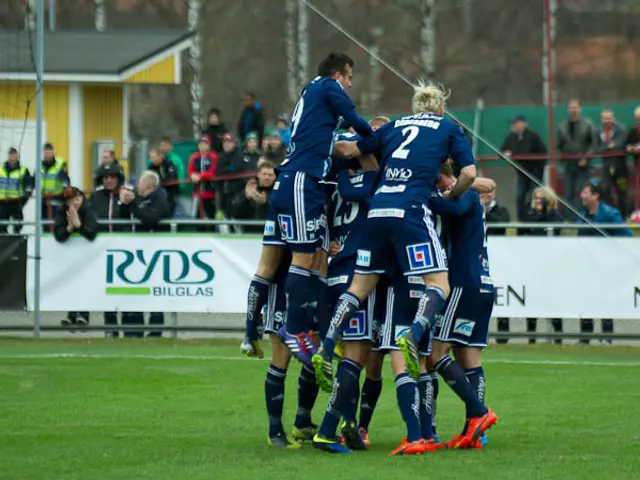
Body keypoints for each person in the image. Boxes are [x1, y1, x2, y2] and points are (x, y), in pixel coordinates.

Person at [313, 81, 494, 456]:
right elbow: (470, 175)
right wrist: (452, 192)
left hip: (379, 214)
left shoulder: (393, 127)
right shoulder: (448, 130)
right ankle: (434, 410)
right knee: (436, 294)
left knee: (361, 297)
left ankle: (328, 344)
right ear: (441, 107)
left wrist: (325, 139)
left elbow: (348, 148)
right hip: (412, 221)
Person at [265, 52, 373, 367]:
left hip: (306, 180)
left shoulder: (313, 92)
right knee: (303, 255)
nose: (350, 84)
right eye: (350, 77)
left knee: (313, 255)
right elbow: (356, 122)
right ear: (339, 75)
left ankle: (301, 327)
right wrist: (377, 138)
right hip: (301, 177)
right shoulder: (327, 86)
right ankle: (294, 328)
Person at [577, 181, 632, 345]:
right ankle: (585, 337)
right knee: (586, 299)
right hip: (587, 263)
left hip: (605, 264)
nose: (582, 195)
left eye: (585, 192)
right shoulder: (582, 214)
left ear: (596, 196)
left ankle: (607, 337)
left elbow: (626, 235)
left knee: (605, 299)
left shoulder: (610, 213)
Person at [119, 171, 171, 337]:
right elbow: (124, 218)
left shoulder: (160, 200)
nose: (137, 186)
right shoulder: (139, 199)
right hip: (137, 252)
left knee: (155, 291)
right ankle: (134, 328)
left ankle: (155, 329)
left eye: (140, 183)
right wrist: (124, 204)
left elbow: (150, 219)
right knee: (135, 290)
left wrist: (133, 205)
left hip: (155, 253)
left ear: (148, 185)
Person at [88, 163, 130, 338]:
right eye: (106, 177)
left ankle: (129, 328)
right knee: (108, 289)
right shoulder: (96, 198)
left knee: (126, 290)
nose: (109, 180)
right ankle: (110, 327)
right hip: (102, 249)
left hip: (124, 249)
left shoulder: (127, 194)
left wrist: (127, 202)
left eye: (112, 177)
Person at [520, 187, 564, 344]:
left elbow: (555, 230)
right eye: (536, 198)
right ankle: (531, 336)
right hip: (533, 265)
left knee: (553, 301)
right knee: (531, 300)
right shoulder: (530, 216)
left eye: (541, 199)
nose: (538, 201)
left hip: (551, 266)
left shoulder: (555, 216)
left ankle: (558, 336)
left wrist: (544, 213)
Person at [54, 186, 98, 330]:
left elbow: (92, 233)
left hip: (89, 253)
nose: (76, 203)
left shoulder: (88, 208)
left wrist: (78, 224)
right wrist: (68, 228)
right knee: (71, 282)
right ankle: (71, 313)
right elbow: (59, 235)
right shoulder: (62, 211)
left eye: (78, 199)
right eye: (71, 201)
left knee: (85, 282)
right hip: (70, 254)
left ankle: (84, 315)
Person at [500, 115, 547, 221]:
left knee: (534, 197)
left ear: (523, 124)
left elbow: (542, 153)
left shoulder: (533, 136)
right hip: (520, 173)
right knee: (520, 197)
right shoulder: (511, 137)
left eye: (515, 123)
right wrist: (505, 153)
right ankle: (521, 221)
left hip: (534, 173)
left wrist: (538, 171)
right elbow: (501, 150)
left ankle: (535, 219)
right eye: (512, 123)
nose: (513, 125)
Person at [557, 99, 597, 213]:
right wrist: (561, 158)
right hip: (569, 165)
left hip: (584, 166)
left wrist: (586, 158)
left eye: (575, 107)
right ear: (567, 109)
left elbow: (593, 144)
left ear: (580, 109)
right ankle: (569, 219)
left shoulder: (588, 124)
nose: (573, 110)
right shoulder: (562, 126)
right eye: (571, 107)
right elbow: (558, 145)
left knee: (582, 193)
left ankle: (582, 218)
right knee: (568, 193)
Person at [596, 110, 628, 218]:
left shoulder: (621, 129)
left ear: (613, 118)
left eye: (609, 118)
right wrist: (608, 147)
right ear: (601, 119)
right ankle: (611, 215)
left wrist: (612, 146)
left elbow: (622, 144)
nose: (607, 120)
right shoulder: (598, 131)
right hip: (606, 167)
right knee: (606, 190)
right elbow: (597, 148)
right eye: (605, 118)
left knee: (622, 192)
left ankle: (624, 216)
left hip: (620, 167)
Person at [229, 161, 276, 234]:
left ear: (275, 177)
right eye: (264, 174)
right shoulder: (248, 190)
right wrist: (246, 198)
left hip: (271, 235)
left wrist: (266, 203)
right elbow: (235, 215)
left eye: (270, 175)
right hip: (249, 235)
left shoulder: (279, 193)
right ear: (258, 174)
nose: (267, 177)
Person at [188, 134, 219, 226]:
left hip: (210, 192)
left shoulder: (214, 157)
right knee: (196, 217)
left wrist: (200, 176)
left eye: (205, 144)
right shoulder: (194, 157)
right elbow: (190, 172)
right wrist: (192, 176)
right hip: (197, 193)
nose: (202, 146)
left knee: (211, 216)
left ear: (209, 145)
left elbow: (212, 172)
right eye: (201, 144)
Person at [0, 148, 33, 234]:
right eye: (11, 155)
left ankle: (16, 241)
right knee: (2, 226)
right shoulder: (1, 170)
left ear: (17, 157)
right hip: (2, 203)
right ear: (8, 157)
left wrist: (23, 200)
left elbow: (28, 186)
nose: (12, 158)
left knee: (18, 225)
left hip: (16, 202)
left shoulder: (23, 170)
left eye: (14, 156)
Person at [216, 133, 248, 217]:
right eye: (224, 142)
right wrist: (229, 169)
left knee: (236, 212)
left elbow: (238, 167)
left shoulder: (239, 154)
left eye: (229, 142)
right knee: (224, 213)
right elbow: (218, 171)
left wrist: (228, 169)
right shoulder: (221, 155)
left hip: (237, 188)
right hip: (223, 189)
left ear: (234, 143)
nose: (226, 144)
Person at [41, 143, 70, 225]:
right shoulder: (40, 166)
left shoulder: (60, 164)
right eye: (45, 152)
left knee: (57, 223)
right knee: (44, 224)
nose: (47, 154)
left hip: (57, 200)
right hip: (43, 200)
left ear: (53, 152)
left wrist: (65, 189)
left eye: (49, 152)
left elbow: (65, 179)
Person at [147, 147, 180, 216]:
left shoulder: (169, 164)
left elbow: (170, 178)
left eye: (153, 157)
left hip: (170, 196)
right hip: (156, 197)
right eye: (150, 157)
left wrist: (157, 182)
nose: (151, 160)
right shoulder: (151, 167)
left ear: (160, 156)